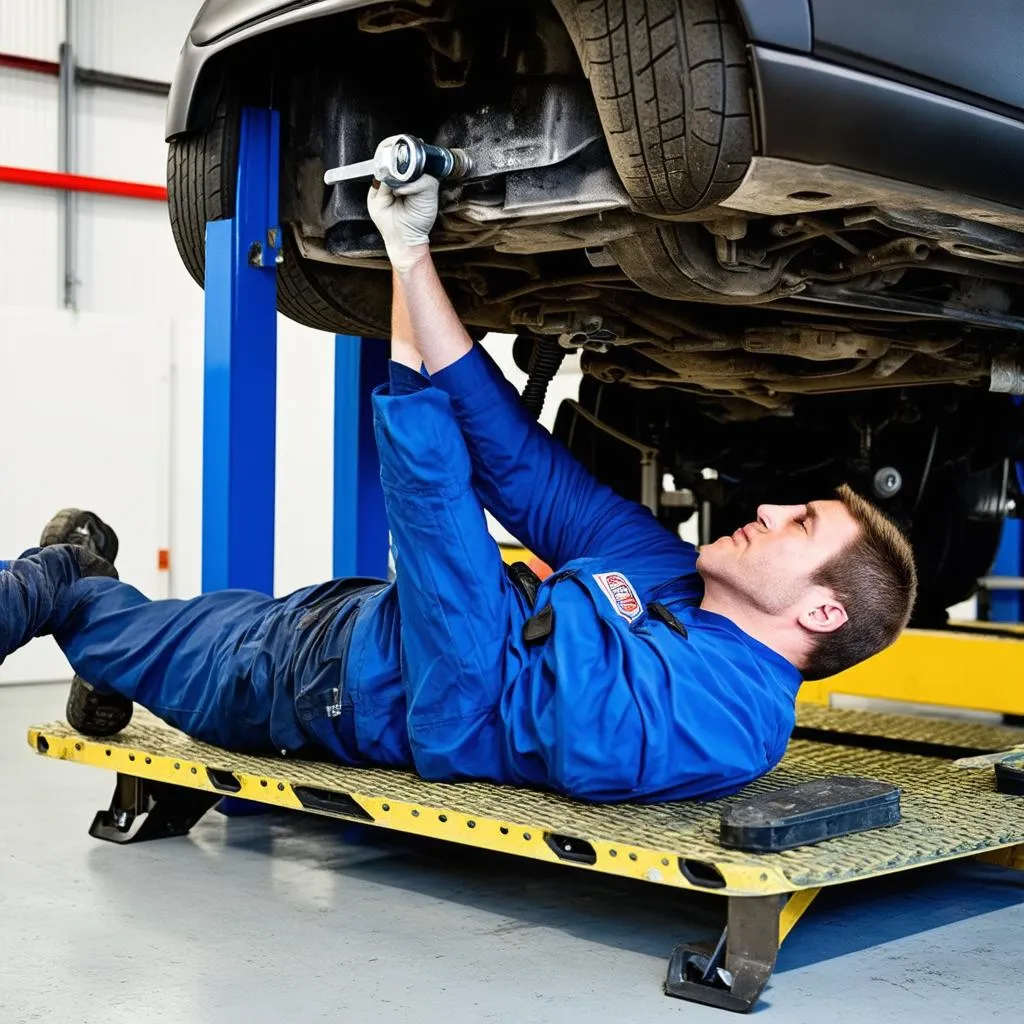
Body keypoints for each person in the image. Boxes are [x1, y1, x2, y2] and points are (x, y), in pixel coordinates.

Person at [0, 176, 917, 803]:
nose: (766, 510)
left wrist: (407, 389)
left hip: (311, 690)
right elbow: (524, 471)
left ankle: (62, 580)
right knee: (142, 634)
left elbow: (465, 694)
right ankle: (94, 611)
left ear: (823, 614)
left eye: (800, 525)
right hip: (353, 621)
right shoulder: (675, 579)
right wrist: (411, 255)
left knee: (88, 609)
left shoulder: (725, 721)